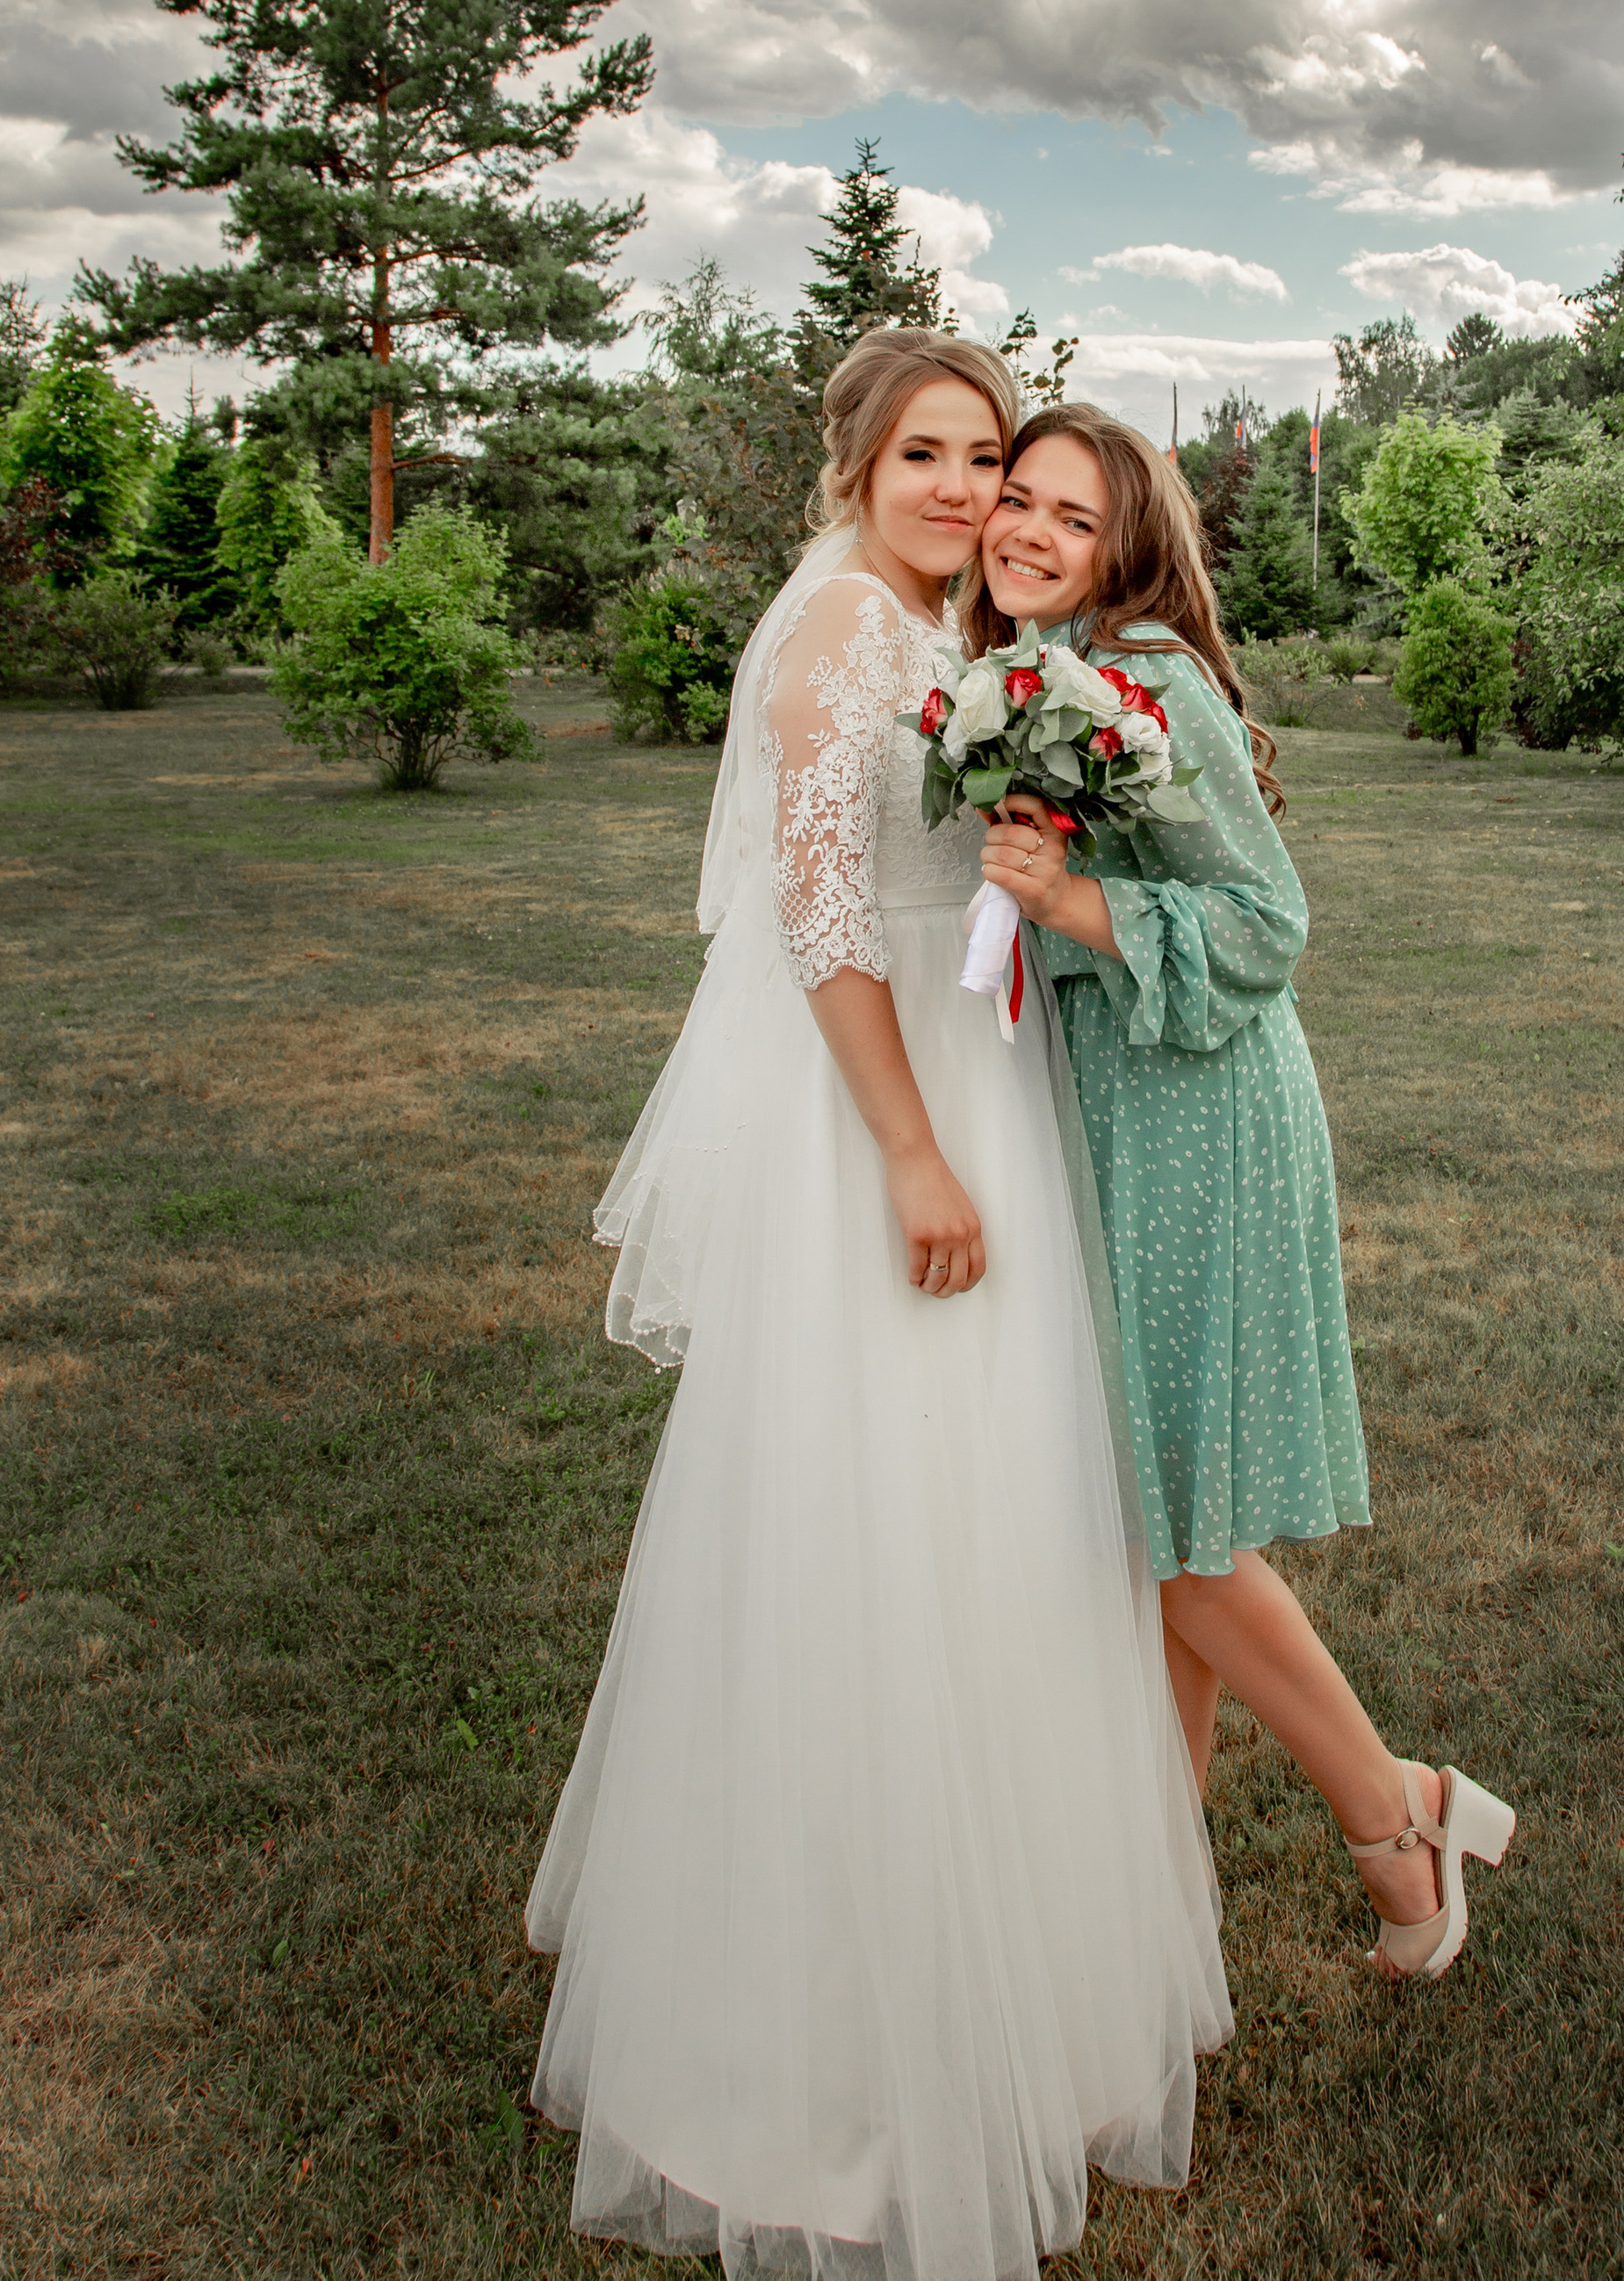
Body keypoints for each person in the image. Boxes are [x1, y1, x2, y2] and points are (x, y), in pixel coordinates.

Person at [526, 331, 1227, 2277]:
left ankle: (1013, 1990)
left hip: (979, 1073)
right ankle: (829, 2049)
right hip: (886, 1112)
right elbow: (821, 918)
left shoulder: (951, 637)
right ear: (853, 466)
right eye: (926, 453)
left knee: (999, 1521)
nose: (961, 489)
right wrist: (912, 1151)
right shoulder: (841, 631)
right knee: (873, 1523)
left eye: (984, 457)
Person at [966, 401, 1515, 1982]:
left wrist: (1073, 900)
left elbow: (1271, 925)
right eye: (1020, 497)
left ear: (1126, 547)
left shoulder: (1147, 678)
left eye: (1074, 517)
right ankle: (1157, 1892)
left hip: (1198, 1110)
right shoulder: (1039, 675)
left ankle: (1396, 1811)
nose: (1030, 532)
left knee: (1171, 1525)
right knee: (1164, 1512)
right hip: (1119, 1102)